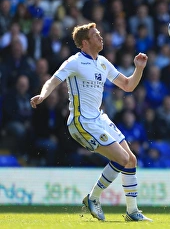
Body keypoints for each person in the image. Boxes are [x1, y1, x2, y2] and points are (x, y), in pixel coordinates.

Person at [30, 22, 152, 222]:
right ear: (85, 42)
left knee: (131, 160)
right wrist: (43, 96)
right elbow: (53, 80)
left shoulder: (103, 62)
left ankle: (132, 211)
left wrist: (138, 69)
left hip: (99, 118)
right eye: (96, 35)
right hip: (82, 122)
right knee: (121, 159)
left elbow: (128, 85)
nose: (101, 37)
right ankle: (93, 198)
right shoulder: (74, 61)